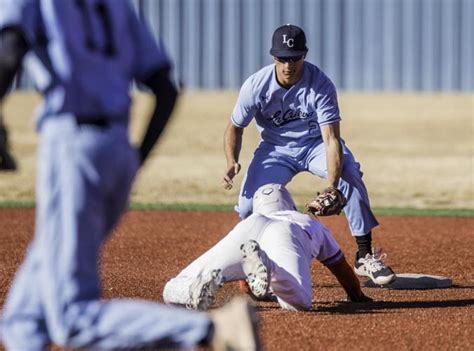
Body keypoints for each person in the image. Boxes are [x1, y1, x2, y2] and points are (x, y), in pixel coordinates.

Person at [0, 1, 260, 350]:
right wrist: (133, 162)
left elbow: (10, 49)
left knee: (70, 317)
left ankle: (209, 329)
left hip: (72, 145)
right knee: (22, 319)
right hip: (117, 149)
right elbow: (165, 88)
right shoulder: (115, 5)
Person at [221, 24, 395, 286]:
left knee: (349, 174)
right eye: (282, 58)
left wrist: (332, 187)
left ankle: (364, 255)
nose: (288, 65)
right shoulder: (256, 86)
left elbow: (331, 139)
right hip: (275, 149)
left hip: (315, 145)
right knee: (247, 206)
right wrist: (232, 161)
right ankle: (255, 263)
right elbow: (235, 126)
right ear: (273, 57)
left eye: (294, 58)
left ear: (304, 55)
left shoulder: (320, 84)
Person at [163, 184, 372, 312]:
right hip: (287, 232)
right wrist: (357, 296)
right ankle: (272, 266)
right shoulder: (305, 220)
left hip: (246, 230)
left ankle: (190, 291)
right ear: (290, 205)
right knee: (299, 302)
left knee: (174, 285)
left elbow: (247, 288)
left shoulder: (250, 218)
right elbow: (341, 269)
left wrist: (258, 292)